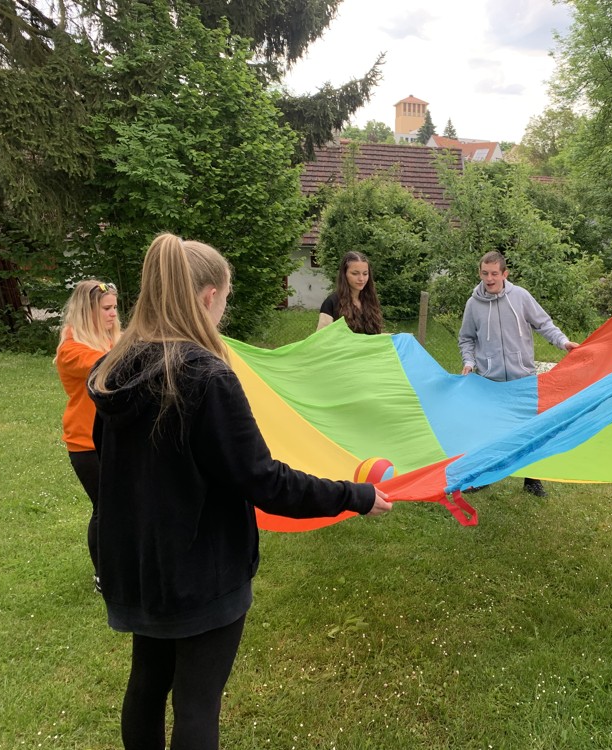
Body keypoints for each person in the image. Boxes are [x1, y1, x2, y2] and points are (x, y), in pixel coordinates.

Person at [88, 233, 392, 750]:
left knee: (147, 683)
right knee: (196, 702)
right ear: (209, 297)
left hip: (137, 562)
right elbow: (264, 481)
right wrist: (353, 495)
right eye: (225, 298)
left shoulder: (114, 368)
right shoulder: (206, 376)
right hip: (199, 569)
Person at [458, 250, 580, 497]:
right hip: (489, 381)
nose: (489, 279)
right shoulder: (473, 304)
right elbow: (466, 338)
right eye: (485, 273)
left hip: (523, 378)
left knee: (529, 431)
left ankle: (532, 479)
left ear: (505, 274)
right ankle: (485, 476)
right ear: (479, 273)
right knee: (489, 432)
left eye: (494, 274)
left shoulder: (521, 296)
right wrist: (469, 362)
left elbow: (544, 324)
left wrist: (563, 342)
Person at [55, 279, 122, 590]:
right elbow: (109, 366)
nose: (113, 313)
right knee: (106, 508)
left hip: (115, 437)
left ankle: (126, 566)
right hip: (86, 444)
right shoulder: (72, 350)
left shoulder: (111, 341)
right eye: (106, 308)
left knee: (125, 505)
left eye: (114, 307)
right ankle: (104, 576)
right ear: (87, 312)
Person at [316, 251, 384, 334]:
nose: (361, 279)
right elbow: (321, 338)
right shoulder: (332, 303)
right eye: (355, 274)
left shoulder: (370, 300)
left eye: (365, 274)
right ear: (344, 274)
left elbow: (376, 335)